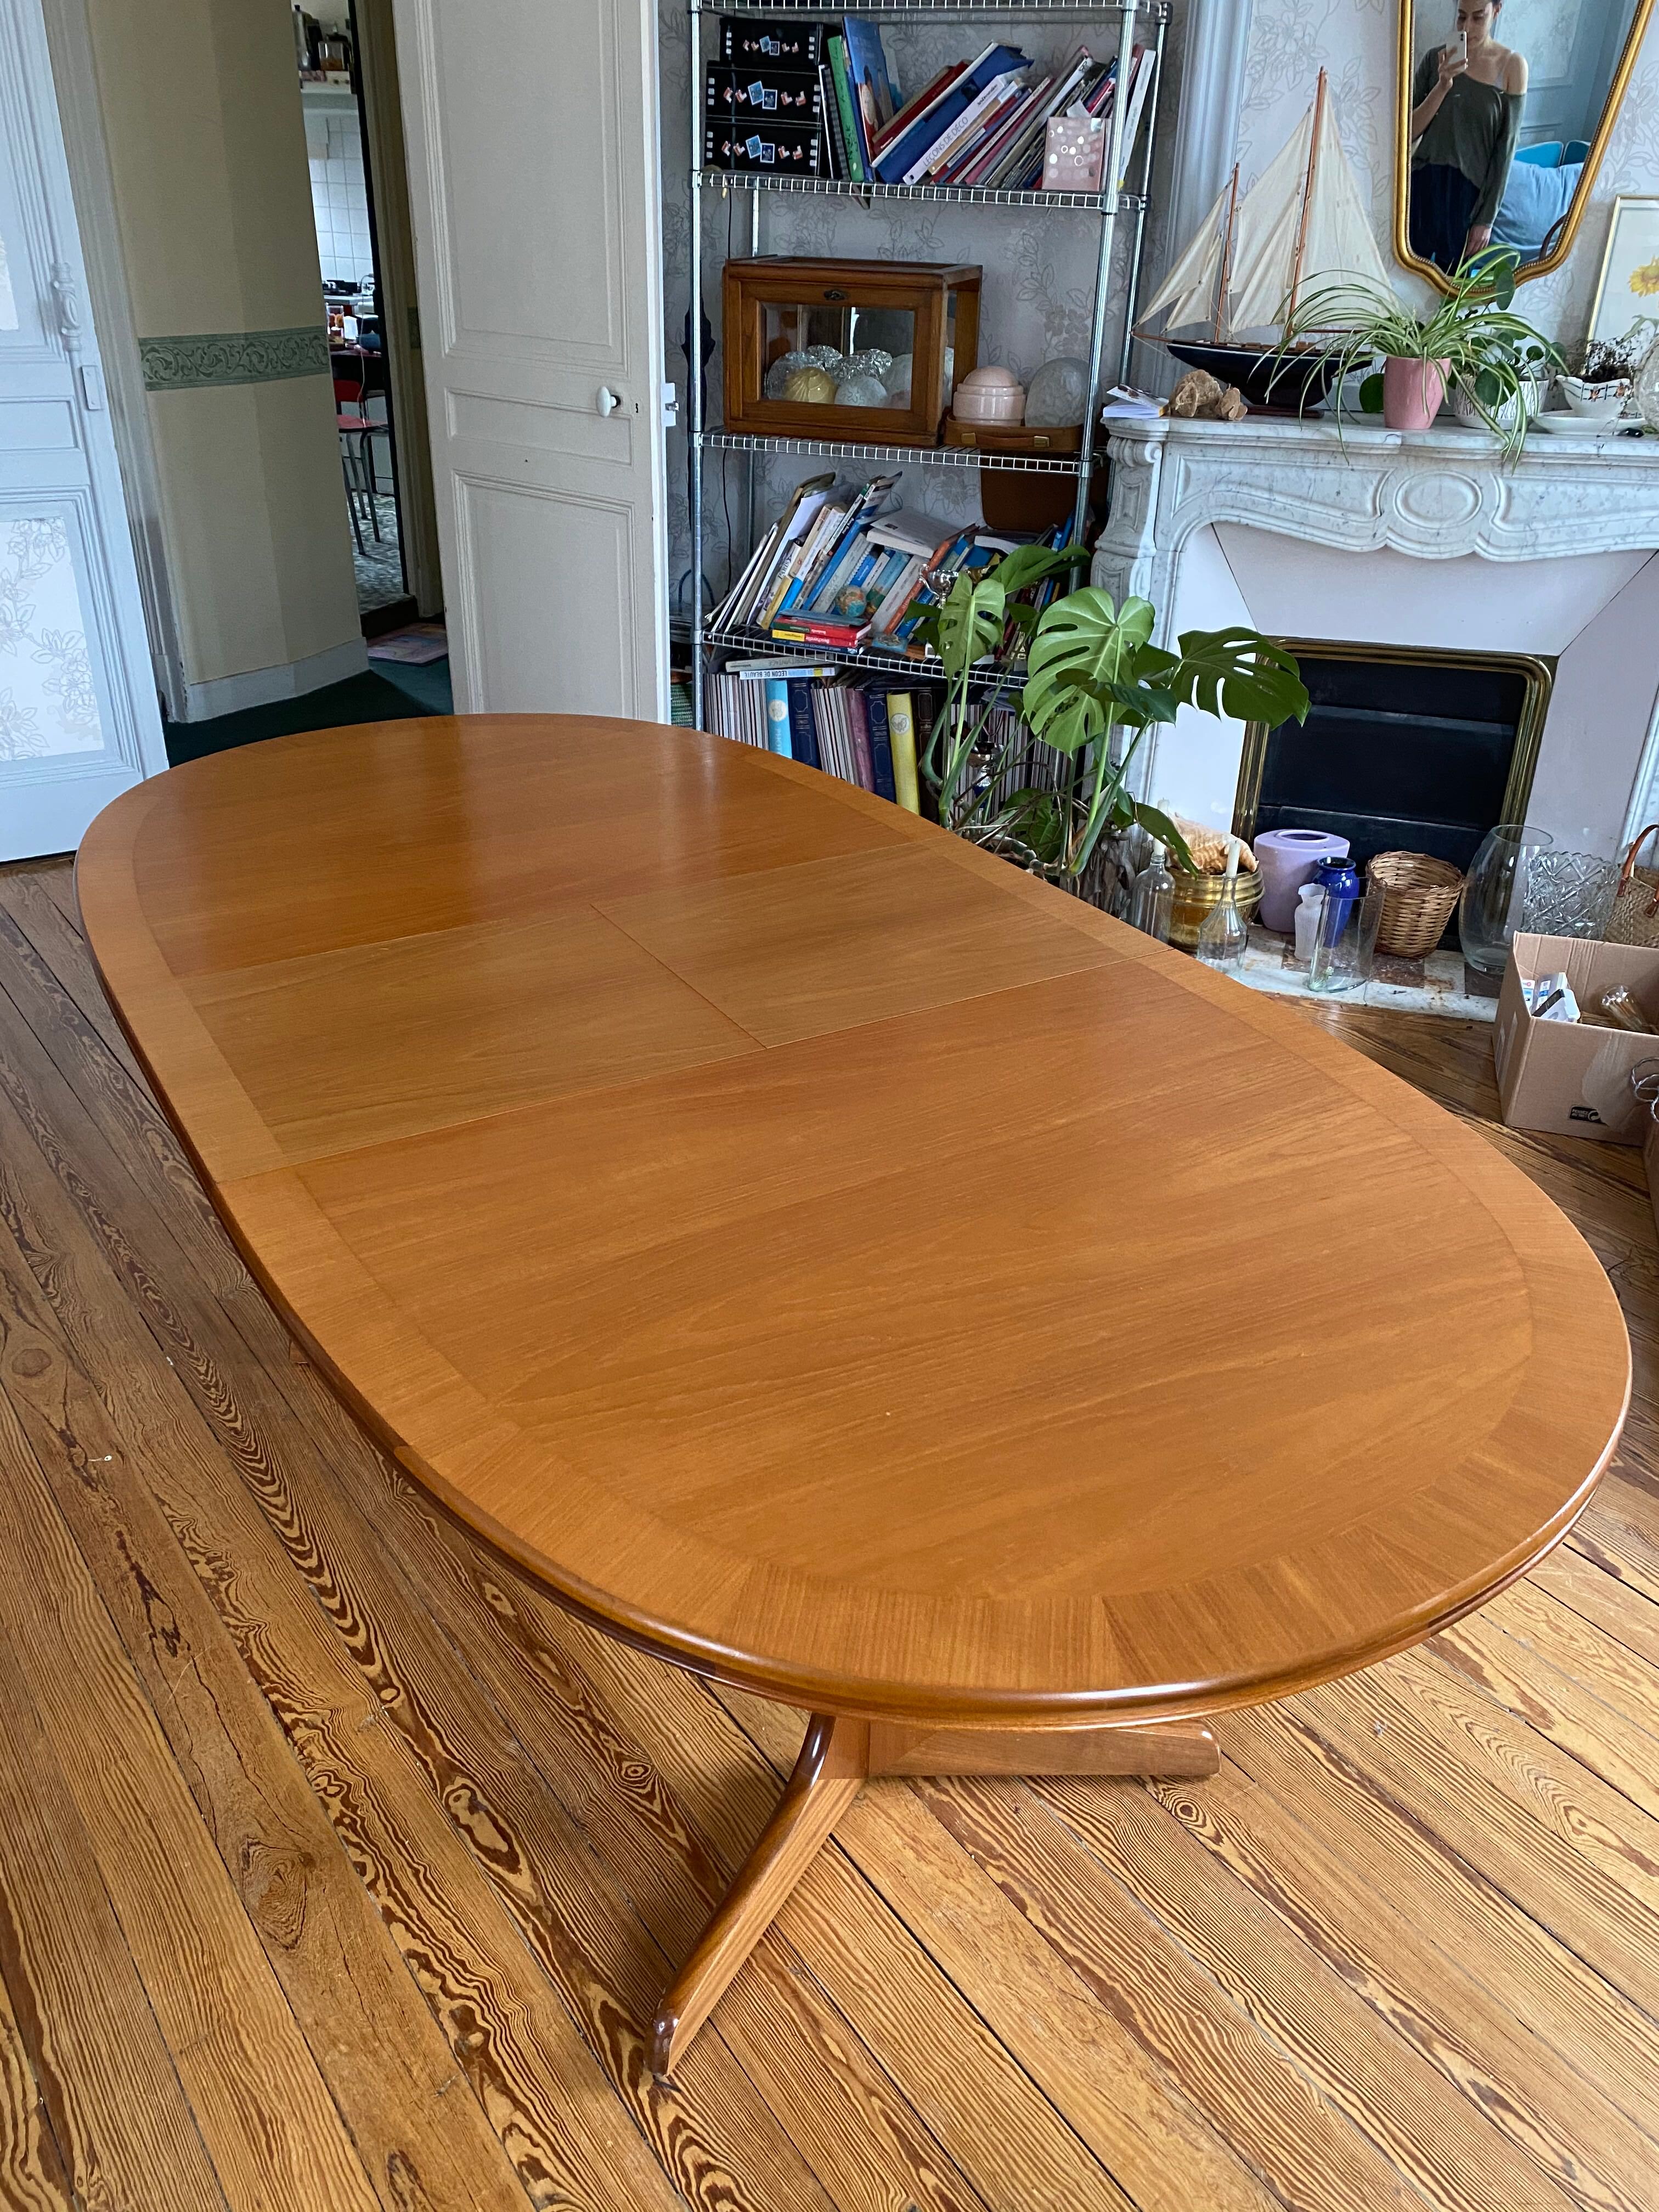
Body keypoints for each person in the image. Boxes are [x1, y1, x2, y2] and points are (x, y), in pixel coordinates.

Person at [1409, 2, 1528, 275]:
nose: (1466, 28)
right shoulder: (1435, 59)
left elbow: (1505, 151)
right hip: (1422, 185)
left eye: (1478, 17)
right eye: (1461, 17)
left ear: (1496, 11)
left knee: (1449, 292)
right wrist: (1442, 86)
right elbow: (1408, 134)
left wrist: (1486, 219)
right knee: (1406, 282)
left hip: (1468, 198)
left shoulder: (1512, 67)